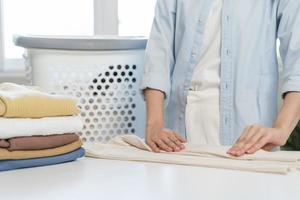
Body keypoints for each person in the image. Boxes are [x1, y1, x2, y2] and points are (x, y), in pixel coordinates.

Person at [140, 0, 300, 156]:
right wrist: (154, 124)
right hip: (179, 134)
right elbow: (158, 54)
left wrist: (282, 129)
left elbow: (297, 62)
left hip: (250, 140)